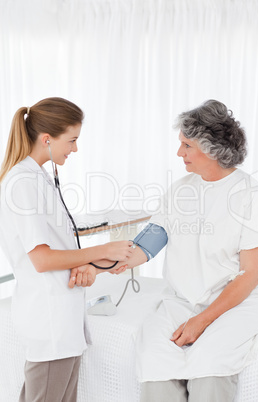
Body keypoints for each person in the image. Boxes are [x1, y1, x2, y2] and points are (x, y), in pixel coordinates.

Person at [73, 99, 258, 401]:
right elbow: (150, 241)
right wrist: (100, 265)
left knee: (210, 365)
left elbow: (251, 274)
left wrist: (201, 322)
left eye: (186, 145)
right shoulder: (181, 189)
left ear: (212, 148)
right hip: (181, 300)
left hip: (236, 304)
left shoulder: (252, 196)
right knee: (154, 363)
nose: (180, 153)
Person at [0, 97, 134, 402]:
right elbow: (42, 259)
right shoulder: (21, 183)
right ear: (47, 139)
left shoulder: (38, 177)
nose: (75, 149)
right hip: (49, 319)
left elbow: (56, 248)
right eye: (72, 140)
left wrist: (99, 261)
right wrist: (103, 247)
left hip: (62, 317)